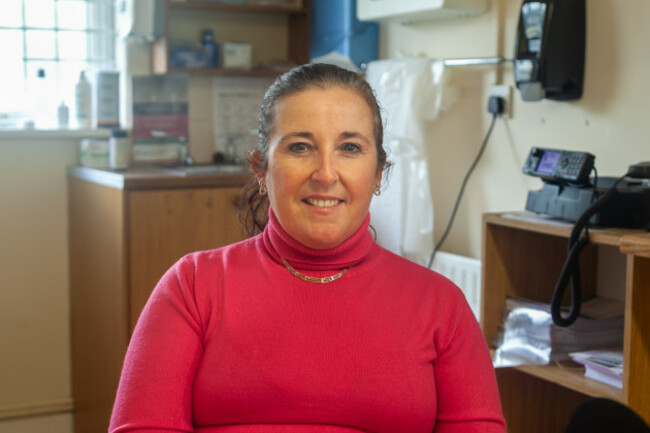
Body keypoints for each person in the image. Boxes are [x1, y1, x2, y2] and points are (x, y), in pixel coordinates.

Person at [109, 63, 506, 433]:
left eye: (349, 148)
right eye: (300, 147)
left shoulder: (441, 306)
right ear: (261, 170)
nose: (326, 174)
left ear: (379, 174)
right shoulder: (193, 286)